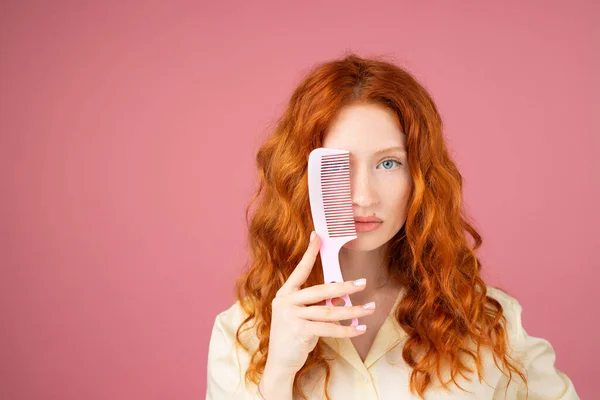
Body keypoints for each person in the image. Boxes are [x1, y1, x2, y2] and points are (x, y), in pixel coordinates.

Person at [205, 53, 579, 399]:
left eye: (389, 164)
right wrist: (278, 377)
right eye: (341, 166)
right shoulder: (243, 335)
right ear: (302, 177)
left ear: (421, 177)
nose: (364, 196)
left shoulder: (489, 324)